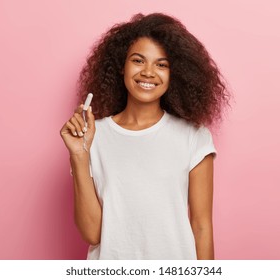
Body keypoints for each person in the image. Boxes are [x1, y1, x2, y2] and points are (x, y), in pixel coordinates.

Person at [60, 13, 230, 260]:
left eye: (162, 64)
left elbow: (202, 227)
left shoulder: (193, 137)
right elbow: (92, 233)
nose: (148, 72)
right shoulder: (92, 136)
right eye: (138, 60)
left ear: (176, 74)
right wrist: (79, 155)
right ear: (121, 66)